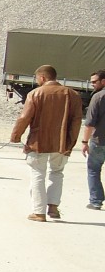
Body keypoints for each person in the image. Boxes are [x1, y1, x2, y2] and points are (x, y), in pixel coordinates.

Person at [9, 64, 82, 221]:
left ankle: (39, 212)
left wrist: (16, 135)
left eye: (37, 78)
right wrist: (70, 142)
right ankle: (53, 208)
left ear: (42, 77)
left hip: (38, 142)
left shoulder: (36, 94)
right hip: (62, 142)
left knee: (37, 174)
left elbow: (24, 118)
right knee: (57, 173)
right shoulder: (73, 94)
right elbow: (76, 122)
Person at [79, 68, 105, 210]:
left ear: (103, 81)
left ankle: (96, 201)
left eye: (95, 82)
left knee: (94, 169)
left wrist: (84, 142)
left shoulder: (98, 97)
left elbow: (89, 123)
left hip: (100, 141)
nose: (92, 85)